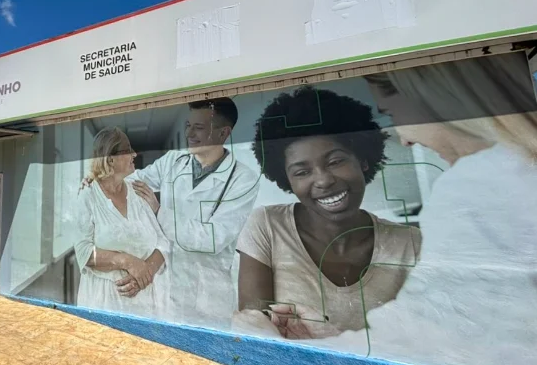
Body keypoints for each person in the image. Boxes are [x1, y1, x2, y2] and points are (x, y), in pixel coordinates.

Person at [279, 54, 537, 365]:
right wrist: (330, 335)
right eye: (301, 171)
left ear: (434, 96)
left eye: (393, 114)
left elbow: (438, 339)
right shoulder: (506, 174)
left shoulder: (477, 186)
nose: (404, 139)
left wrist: (291, 348)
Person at [236, 87, 420, 338]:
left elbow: (424, 343)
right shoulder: (267, 225)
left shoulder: (410, 243)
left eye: (335, 162)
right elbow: (254, 329)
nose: (323, 180)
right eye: (302, 172)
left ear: (363, 160)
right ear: (287, 181)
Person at [118, 98, 259, 329]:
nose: (189, 134)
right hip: (165, 289)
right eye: (188, 125)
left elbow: (212, 238)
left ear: (224, 133)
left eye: (199, 128)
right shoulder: (173, 161)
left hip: (207, 301)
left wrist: (159, 210)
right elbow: (131, 183)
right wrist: (101, 181)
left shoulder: (243, 179)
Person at [73, 127, 169, 317]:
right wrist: (127, 262)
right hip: (102, 303)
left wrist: (146, 271)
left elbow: (163, 242)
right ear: (110, 159)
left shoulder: (138, 191)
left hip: (144, 304)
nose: (134, 154)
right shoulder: (88, 196)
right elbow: (83, 252)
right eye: (127, 149)